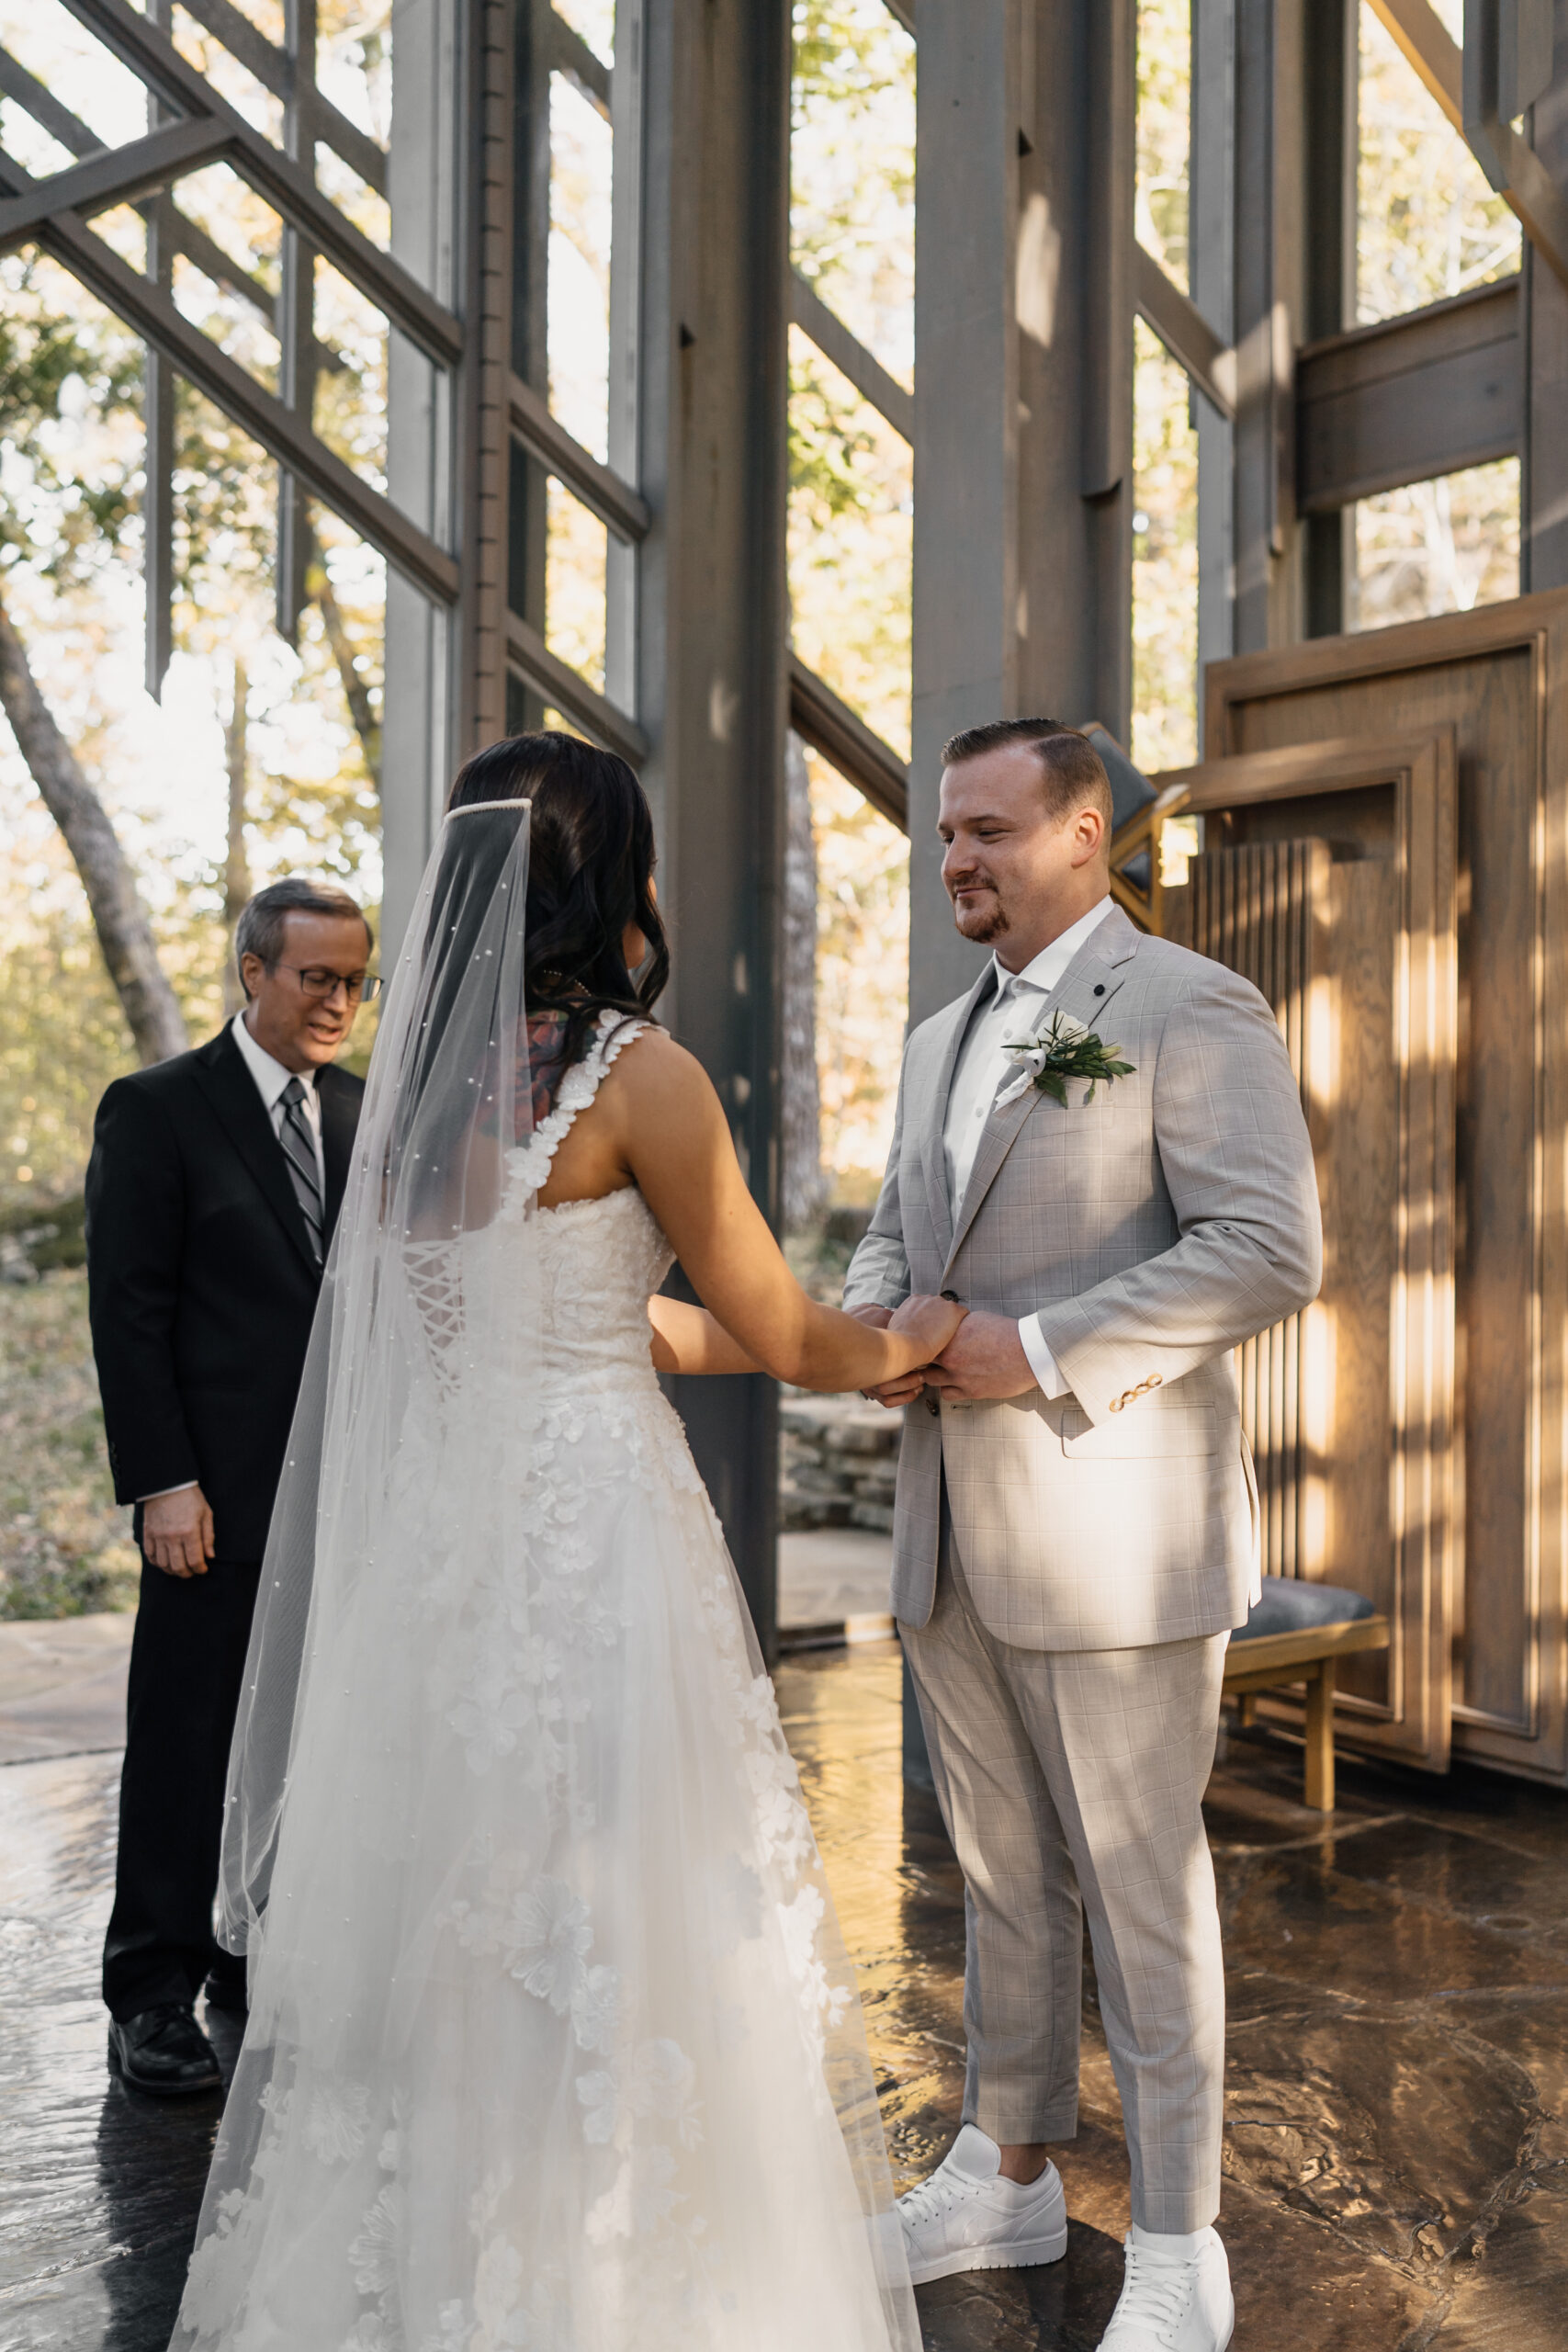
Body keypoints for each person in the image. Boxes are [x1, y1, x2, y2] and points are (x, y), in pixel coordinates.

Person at [169, 733, 961, 2352]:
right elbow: (782, 1334)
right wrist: (909, 1338)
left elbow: (590, 1319)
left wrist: (790, 1332)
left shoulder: (405, 1093)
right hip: (592, 1537)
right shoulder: (639, 1077)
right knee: (626, 1914)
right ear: (610, 883)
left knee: (457, 1915)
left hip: (441, 1553)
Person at [844, 719, 1321, 2352]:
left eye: (987, 828)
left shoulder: (1190, 1007)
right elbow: (892, 1235)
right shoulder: (933, 1039)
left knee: (1142, 1895)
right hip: (949, 1537)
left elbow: (1268, 1246)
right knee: (998, 1881)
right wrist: (869, 1337)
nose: (957, 858)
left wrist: (1034, 1350)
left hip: (1113, 1534)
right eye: (946, 833)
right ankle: (1009, 2164)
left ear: (1085, 829)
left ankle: (1184, 2242)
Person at [86, 879, 373, 2095]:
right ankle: (151, 1992)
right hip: (210, 1503)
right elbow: (130, 1312)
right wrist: (165, 1483)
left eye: (354, 982)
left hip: (347, 1500)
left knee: (309, 1748)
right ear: (252, 972)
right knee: (187, 1744)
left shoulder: (371, 1113)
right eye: (316, 977)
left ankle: (253, 1962)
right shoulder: (156, 1111)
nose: (338, 1003)